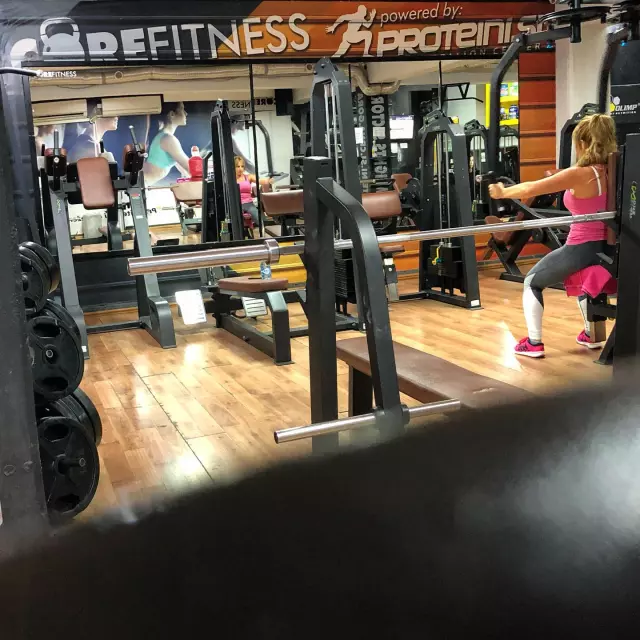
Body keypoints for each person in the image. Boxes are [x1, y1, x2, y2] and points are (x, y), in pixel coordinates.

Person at [489, 113, 618, 358]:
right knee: (585, 280)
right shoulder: (616, 169)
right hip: (608, 248)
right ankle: (591, 335)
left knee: (532, 281)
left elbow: (532, 187)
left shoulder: (581, 173)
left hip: (581, 247)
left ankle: (533, 343)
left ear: (583, 143)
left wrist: (502, 192)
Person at [144, 102, 190, 186]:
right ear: (172, 114)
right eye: (182, 110)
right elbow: (190, 168)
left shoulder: (163, 136)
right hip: (142, 184)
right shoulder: (168, 139)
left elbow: (185, 170)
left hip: (143, 183)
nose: (186, 113)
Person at [235, 155, 271, 227]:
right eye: (238, 166)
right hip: (236, 204)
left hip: (249, 204)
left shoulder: (248, 177)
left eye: (242, 166)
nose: (240, 169)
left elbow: (260, 180)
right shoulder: (231, 179)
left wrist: (268, 180)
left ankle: (263, 231)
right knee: (236, 223)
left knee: (261, 221)